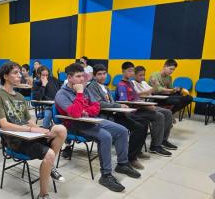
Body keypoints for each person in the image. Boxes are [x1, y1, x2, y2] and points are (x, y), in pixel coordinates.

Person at [0, 61, 67, 199]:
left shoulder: (19, 96)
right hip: (15, 141)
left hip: (29, 135)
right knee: (50, 154)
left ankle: (49, 165)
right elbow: (4, 125)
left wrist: (40, 129)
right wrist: (31, 129)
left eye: (19, 72)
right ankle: (42, 197)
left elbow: (29, 120)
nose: (19, 75)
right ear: (5, 76)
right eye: (15, 73)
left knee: (60, 130)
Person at [55, 63, 141, 192]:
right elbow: (74, 114)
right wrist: (79, 93)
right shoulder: (61, 94)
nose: (82, 79)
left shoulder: (86, 89)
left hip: (91, 120)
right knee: (105, 136)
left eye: (83, 76)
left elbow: (96, 107)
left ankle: (122, 164)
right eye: (78, 76)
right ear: (69, 77)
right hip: (74, 125)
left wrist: (85, 110)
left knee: (122, 131)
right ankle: (106, 175)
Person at [87, 64, 148, 169]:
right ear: (94, 76)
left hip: (115, 113)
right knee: (137, 128)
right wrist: (119, 105)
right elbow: (99, 103)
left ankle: (135, 152)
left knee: (143, 123)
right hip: (105, 116)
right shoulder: (92, 86)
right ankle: (131, 158)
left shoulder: (105, 87)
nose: (102, 76)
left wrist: (120, 108)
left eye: (104, 73)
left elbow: (111, 102)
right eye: (99, 74)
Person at [116, 62, 176, 156]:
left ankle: (160, 142)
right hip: (131, 112)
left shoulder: (130, 83)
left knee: (165, 113)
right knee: (158, 116)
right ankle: (155, 146)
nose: (131, 73)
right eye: (129, 71)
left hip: (138, 108)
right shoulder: (122, 85)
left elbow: (136, 98)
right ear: (123, 72)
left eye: (132, 70)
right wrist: (146, 105)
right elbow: (125, 103)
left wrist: (146, 104)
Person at [133, 66, 177, 149]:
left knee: (168, 113)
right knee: (160, 116)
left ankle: (163, 140)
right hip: (140, 106)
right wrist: (153, 88)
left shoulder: (144, 83)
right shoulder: (132, 83)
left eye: (144, 75)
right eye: (140, 75)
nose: (143, 77)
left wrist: (155, 86)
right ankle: (155, 145)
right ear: (134, 75)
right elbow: (138, 95)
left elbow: (153, 91)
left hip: (149, 104)